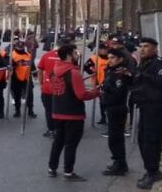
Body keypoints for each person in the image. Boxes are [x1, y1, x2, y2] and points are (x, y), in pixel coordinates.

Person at [47, 43, 100, 181]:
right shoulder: (73, 72)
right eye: (76, 53)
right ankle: (68, 172)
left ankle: (52, 168)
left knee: (58, 141)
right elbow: (81, 95)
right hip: (73, 113)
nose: (78, 56)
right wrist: (96, 92)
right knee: (71, 143)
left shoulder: (55, 69)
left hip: (57, 111)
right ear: (69, 55)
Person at [127, 37, 162, 190]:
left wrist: (144, 76)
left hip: (156, 108)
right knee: (143, 140)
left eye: (146, 46)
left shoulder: (160, 64)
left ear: (155, 48)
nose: (142, 49)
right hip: (145, 107)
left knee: (151, 140)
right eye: (140, 47)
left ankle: (153, 172)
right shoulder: (143, 64)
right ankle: (149, 169)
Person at [99, 50, 130, 176]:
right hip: (111, 107)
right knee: (114, 138)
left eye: (113, 58)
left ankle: (120, 164)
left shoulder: (120, 73)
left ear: (120, 59)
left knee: (115, 138)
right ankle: (119, 162)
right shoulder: (111, 71)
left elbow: (118, 92)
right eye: (108, 57)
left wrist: (105, 88)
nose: (109, 60)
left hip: (117, 108)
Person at [36, 42, 61, 138]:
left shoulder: (46, 55)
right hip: (61, 88)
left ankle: (51, 129)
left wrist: (41, 83)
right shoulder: (66, 57)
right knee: (60, 110)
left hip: (47, 87)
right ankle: (59, 130)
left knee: (49, 109)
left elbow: (40, 70)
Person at [9, 39, 36, 118]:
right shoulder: (12, 55)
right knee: (17, 95)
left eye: (22, 47)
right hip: (16, 77)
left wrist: (35, 74)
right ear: (16, 47)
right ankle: (17, 111)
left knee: (30, 95)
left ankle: (30, 111)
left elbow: (32, 65)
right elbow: (8, 65)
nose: (20, 49)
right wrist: (13, 64)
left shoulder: (28, 54)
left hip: (27, 77)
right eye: (19, 47)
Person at [84, 42, 110, 125]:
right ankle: (103, 117)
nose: (105, 51)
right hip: (99, 82)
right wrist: (91, 71)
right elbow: (86, 67)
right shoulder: (94, 58)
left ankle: (108, 117)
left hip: (109, 82)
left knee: (108, 101)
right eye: (103, 49)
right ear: (99, 50)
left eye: (106, 49)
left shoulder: (111, 57)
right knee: (102, 101)